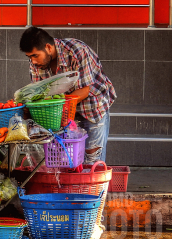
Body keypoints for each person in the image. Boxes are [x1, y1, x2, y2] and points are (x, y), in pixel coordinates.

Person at [19, 26, 116, 164]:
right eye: (29, 57)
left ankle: (96, 186)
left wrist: (56, 104)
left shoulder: (77, 51)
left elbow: (84, 91)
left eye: (35, 55)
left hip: (92, 108)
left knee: (92, 162)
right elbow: (40, 94)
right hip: (63, 114)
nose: (33, 61)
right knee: (68, 162)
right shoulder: (36, 64)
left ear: (48, 47)